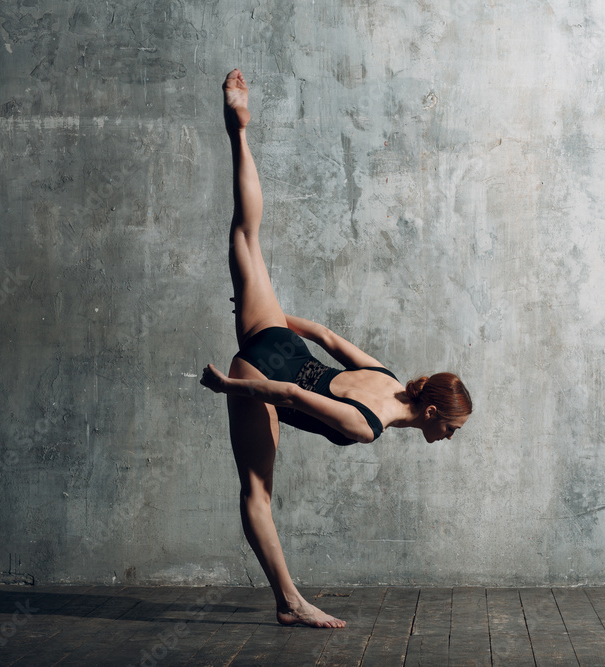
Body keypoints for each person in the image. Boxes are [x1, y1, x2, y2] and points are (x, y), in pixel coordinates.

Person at [200, 69, 473, 628]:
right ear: (429, 414)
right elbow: (287, 396)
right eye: (450, 428)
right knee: (256, 496)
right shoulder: (365, 425)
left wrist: (270, 317)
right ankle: (290, 602)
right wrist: (231, 386)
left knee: (247, 235)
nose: (448, 437)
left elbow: (321, 335)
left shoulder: (385, 374)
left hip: (278, 337)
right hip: (258, 370)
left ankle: (239, 132)